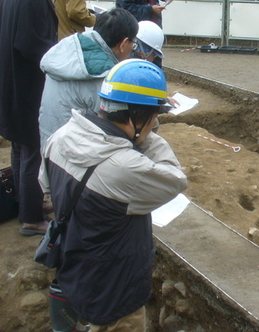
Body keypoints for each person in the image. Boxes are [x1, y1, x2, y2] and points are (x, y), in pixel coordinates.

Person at [39, 58, 188, 331]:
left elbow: (46, 186)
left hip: (74, 266)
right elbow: (175, 180)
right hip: (115, 288)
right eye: (154, 116)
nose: (155, 122)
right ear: (136, 116)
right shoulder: (126, 168)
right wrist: (145, 135)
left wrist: (138, 125)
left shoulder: (61, 137)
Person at [0, 0, 79, 236]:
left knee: (20, 148)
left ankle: (26, 200)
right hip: (23, 89)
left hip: (9, 84)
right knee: (32, 153)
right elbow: (33, 47)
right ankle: (30, 217)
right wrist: (67, 59)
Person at [39, 8, 139, 151]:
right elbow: (120, 127)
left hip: (48, 145)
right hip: (74, 156)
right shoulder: (104, 76)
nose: (132, 49)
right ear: (123, 44)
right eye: (133, 44)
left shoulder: (70, 51)